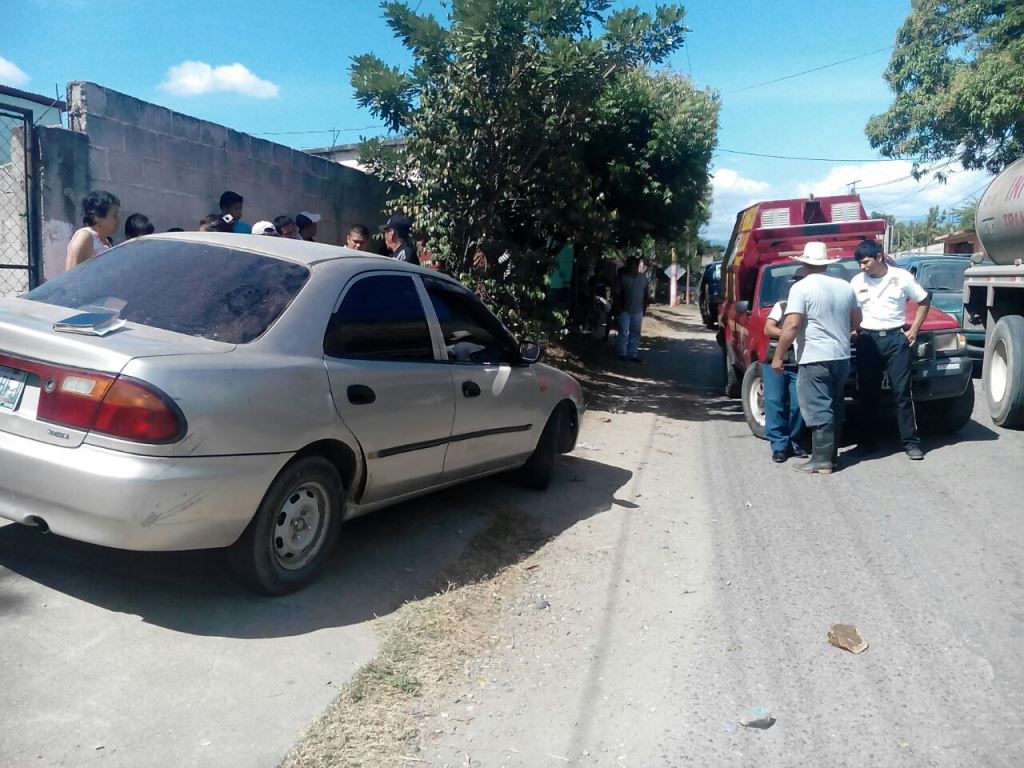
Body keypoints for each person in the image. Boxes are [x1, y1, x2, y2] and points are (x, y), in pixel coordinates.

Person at [772, 242, 861, 474]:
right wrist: (844, 332)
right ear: (826, 264)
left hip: (814, 356)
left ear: (803, 263)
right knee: (834, 404)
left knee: (818, 407)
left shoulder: (801, 288)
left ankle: (821, 460)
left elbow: (792, 324)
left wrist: (778, 356)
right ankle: (831, 457)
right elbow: (857, 319)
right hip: (841, 356)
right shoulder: (845, 286)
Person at [850, 240, 931, 460]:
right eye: (859, 263)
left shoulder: (901, 277)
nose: (862, 267)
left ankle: (911, 443)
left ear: (879, 257)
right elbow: (850, 309)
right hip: (867, 340)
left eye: (865, 262)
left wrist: (913, 330)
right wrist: (853, 330)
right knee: (867, 393)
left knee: (902, 393)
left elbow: (924, 300)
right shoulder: (857, 281)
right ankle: (867, 442)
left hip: (896, 338)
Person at [763, 272, 808, 463]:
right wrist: (789, 334)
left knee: (799, 406)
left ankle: (795, 442)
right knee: (774, 403)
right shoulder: (782, 305)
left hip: (801, 362)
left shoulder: (813, 306)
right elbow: (768, 328)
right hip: (776, 360)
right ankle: (779, 446)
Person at [66, 190, 120, 270]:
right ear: (97, 218)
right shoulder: (85, 236)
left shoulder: (105, 241)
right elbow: (71, 276)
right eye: (114, 216)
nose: (118, 220)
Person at [616, 255, 649, 362]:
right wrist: (619, 307)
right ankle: (622, 353)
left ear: (637, 266)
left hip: (638, 310)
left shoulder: (643, 278)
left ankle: (633, 354)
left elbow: (646, 295)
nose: (630, 267)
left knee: (635, 333)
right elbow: (617, 293)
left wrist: (644, 309)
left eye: (633, 265)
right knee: (623, 332)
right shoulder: (623, 277)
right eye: (628, 265)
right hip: (625, 310)